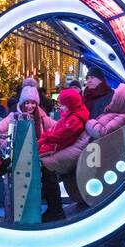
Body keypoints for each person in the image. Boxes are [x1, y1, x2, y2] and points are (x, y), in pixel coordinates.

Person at [38, 89, 90, 221]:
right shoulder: (72, 115)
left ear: (70, 104)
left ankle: (55, 208)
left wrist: (45, 138)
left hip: (63, 150)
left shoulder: (75, 119)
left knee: (46, 168)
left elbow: (61, 136)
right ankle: (53, 207)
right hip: (62, 149)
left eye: (63, 104)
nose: (60, 107)